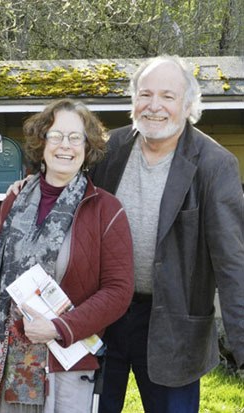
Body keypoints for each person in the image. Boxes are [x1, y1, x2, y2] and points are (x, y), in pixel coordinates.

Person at [92, 55, 244, 413]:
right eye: (145, 94)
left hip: (172, 327)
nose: (154, 106)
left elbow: (233, 264)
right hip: (102, 317)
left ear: (188, 105)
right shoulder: (107, 150)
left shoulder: (214, 165)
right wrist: (26, 186)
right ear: (133, 101)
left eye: (167, 96)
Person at [0, 99, 134, 413]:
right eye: (56, 136)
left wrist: (58, 326)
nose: (64, 146)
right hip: (4, 356)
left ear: (88, 147)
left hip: (64, 363)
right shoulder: (14, 199)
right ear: (42, 143)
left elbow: (118, 292)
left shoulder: (106, 210)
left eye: (75, 137)